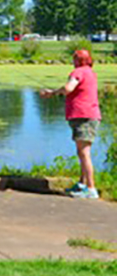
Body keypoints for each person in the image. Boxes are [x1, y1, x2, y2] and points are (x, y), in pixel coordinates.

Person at [40, 49, 101, 199]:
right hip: (90, 115)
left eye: (74, 59)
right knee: (82, 152)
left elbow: (68, 88)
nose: (73, 62)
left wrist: (53, 92)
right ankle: (82, 184)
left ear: (78, 61)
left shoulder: (78, 72)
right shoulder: (90, 72)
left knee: (84, 153)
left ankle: (91, 189)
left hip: (83, 116)